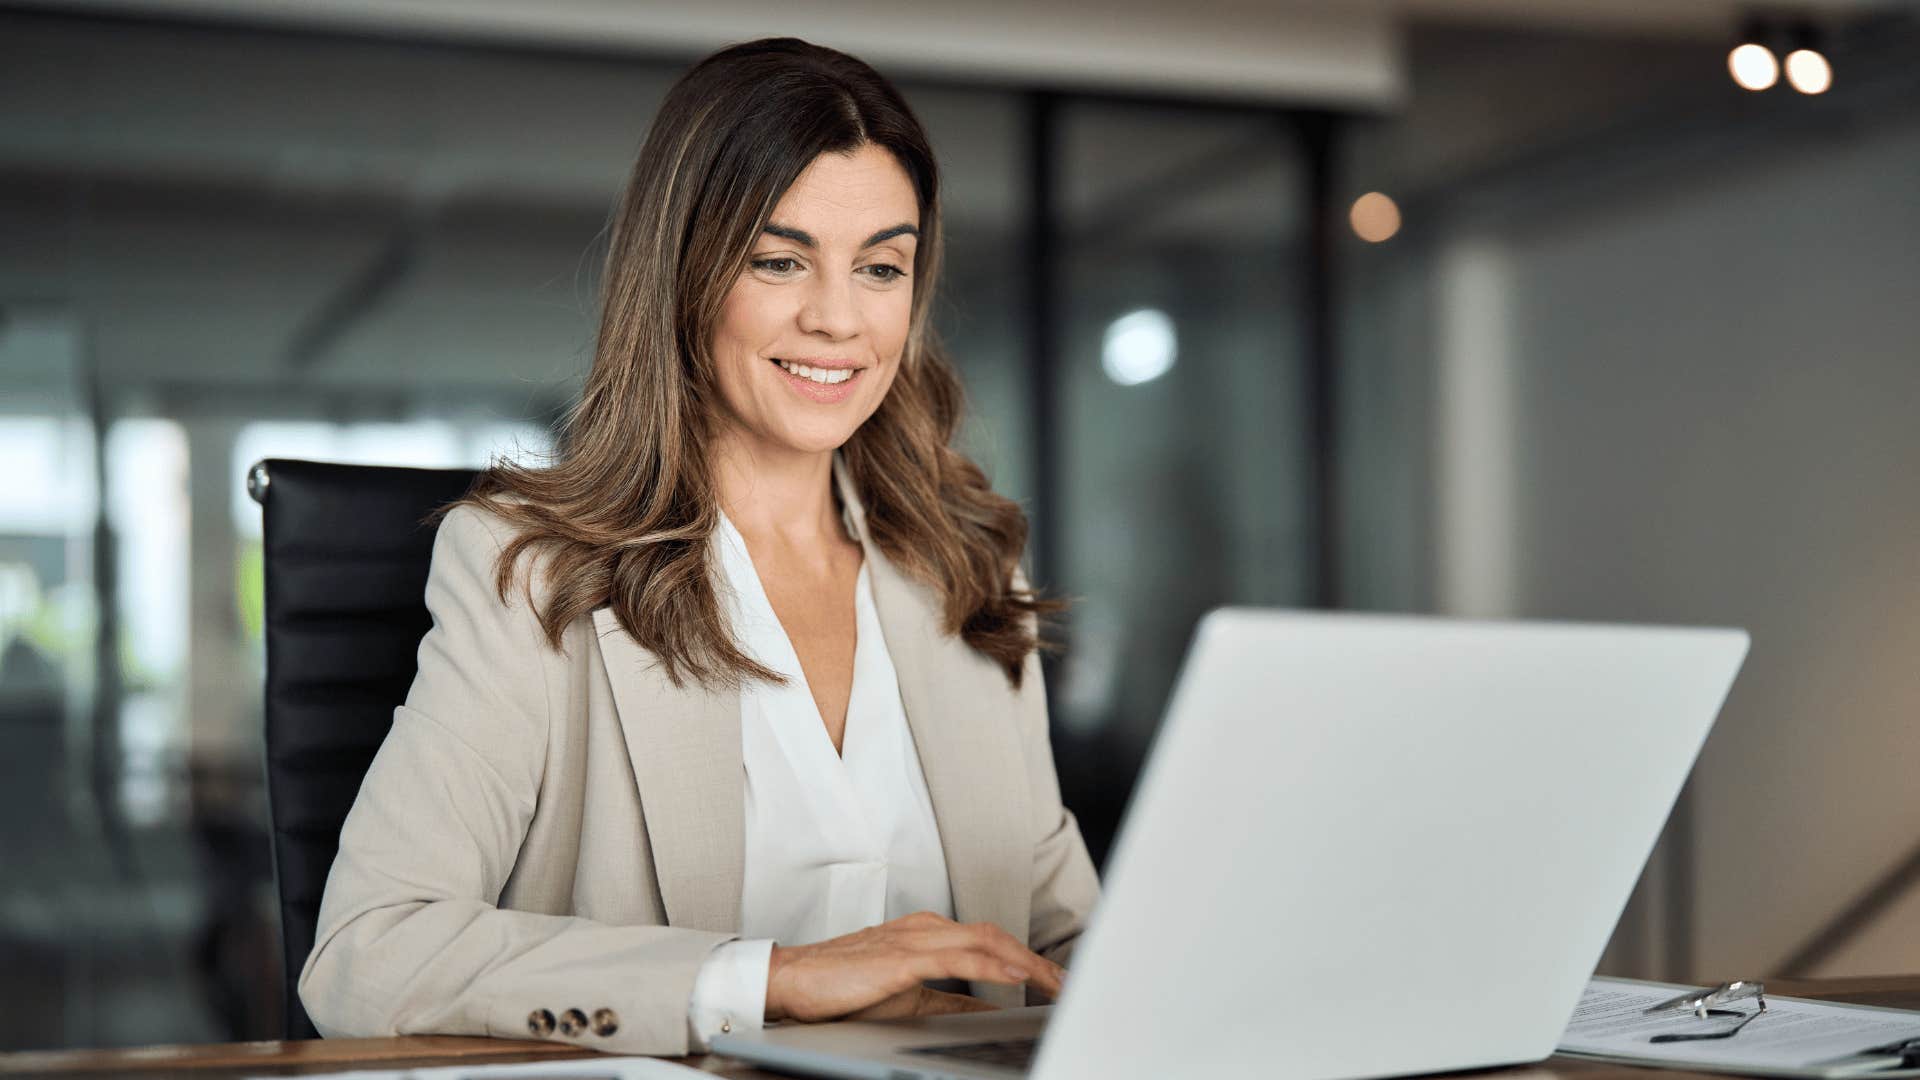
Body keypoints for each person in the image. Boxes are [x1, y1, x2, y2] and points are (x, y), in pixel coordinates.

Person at [297, 36, 1100, 1058]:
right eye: (779, 259)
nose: (838, 319)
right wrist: (771, 981)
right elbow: (370, 955)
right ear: (685, 272)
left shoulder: (965, 569)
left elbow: (1061, 935)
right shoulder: (534, 572)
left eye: (881, 267)